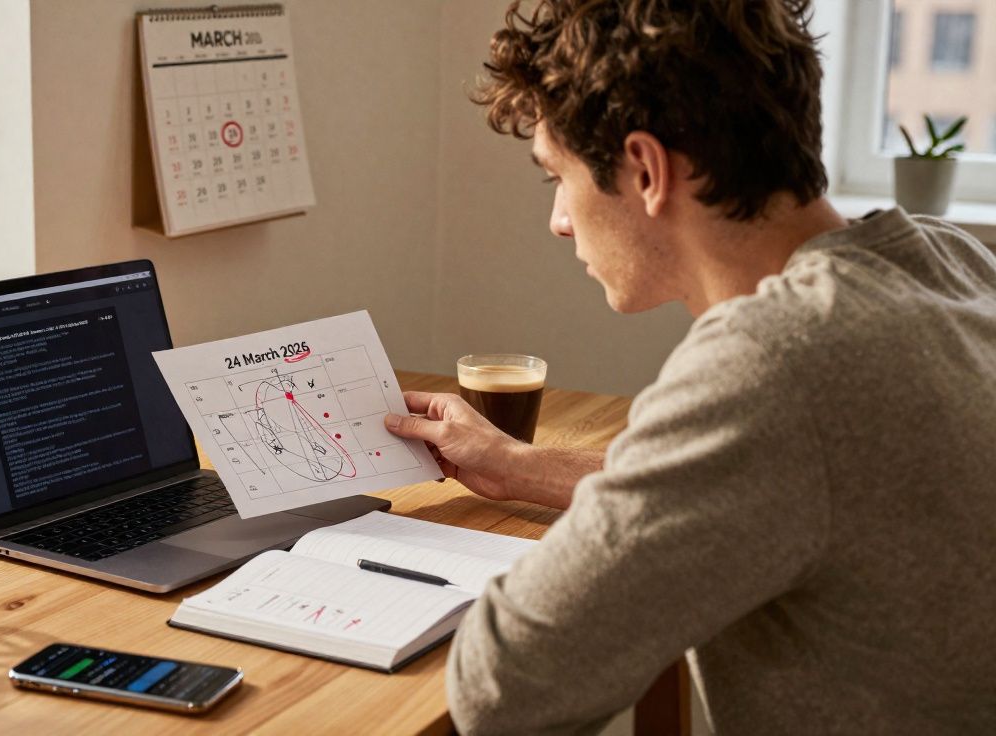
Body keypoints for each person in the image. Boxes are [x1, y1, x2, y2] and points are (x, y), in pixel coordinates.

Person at [383, 1, 996, 733]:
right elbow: (779, 478)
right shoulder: (948, 261)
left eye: (558, 177)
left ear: (645, 169)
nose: (559, 220)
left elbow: (504, 688)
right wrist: (517, 465)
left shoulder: (772, 362)